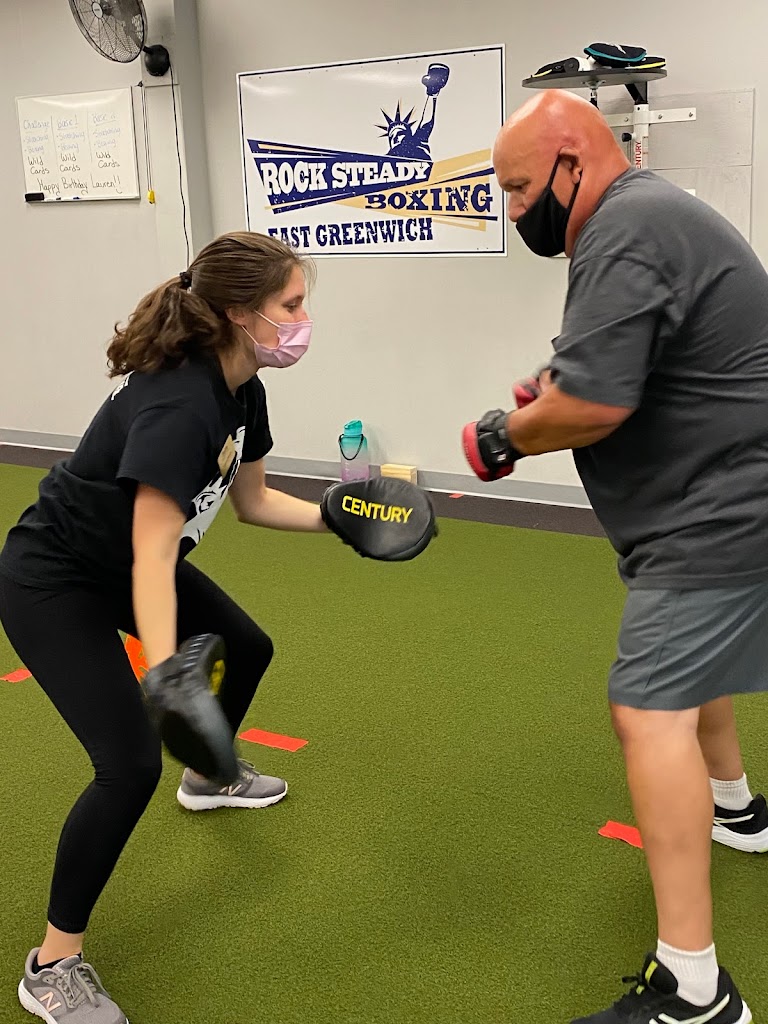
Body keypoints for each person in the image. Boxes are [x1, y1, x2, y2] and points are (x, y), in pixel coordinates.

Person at [463, 90, 767, 1024]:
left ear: (570, 162)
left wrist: (502, 435)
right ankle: (739, 810)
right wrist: (556, 383)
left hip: (723, 507)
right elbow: (611, 367)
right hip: (720, 496)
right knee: (686, 676)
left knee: (646, 708)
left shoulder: (626, 231)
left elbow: (594, 406)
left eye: (519, 188)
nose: (515, 210)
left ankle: (695, 993)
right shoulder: (642, 218)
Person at [0, 231, 330, 1024]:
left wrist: (341, 519)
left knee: (249, 646)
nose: (302, 318)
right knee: (128, 764)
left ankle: (211, 778)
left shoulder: (242, 385)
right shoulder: (178, 406)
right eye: (290, 304)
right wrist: (166, 673)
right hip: (57, 580)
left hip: (124, 564)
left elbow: (251, 502)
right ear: (237, 313)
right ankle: (53, 964)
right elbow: (153, 561)